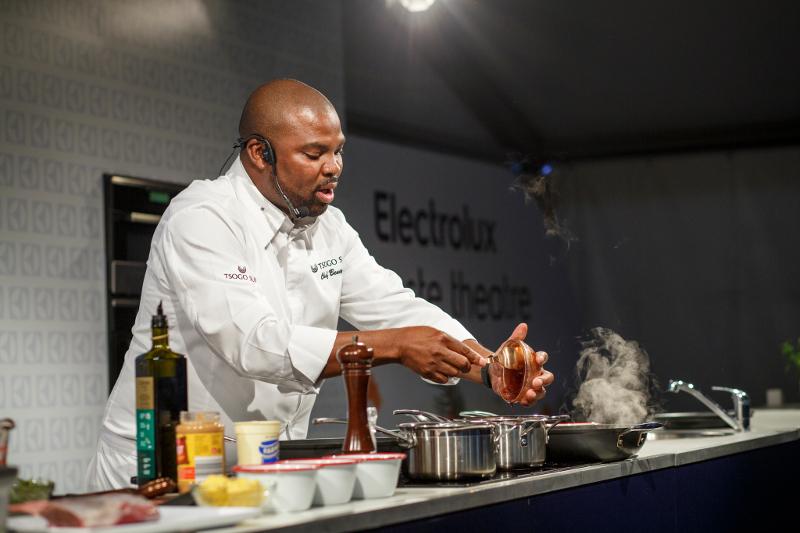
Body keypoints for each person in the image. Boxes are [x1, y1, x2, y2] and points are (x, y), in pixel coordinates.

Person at [87, 79, 554, 490]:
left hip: (261, 467)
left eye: (338, 151)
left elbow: (395, 307)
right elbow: (254, 343)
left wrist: (490, 366)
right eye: (314, 153)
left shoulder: (330, 228)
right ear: (259, 153)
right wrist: (392, 346)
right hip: (160, 470)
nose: (334, 167)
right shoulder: (203, 217)